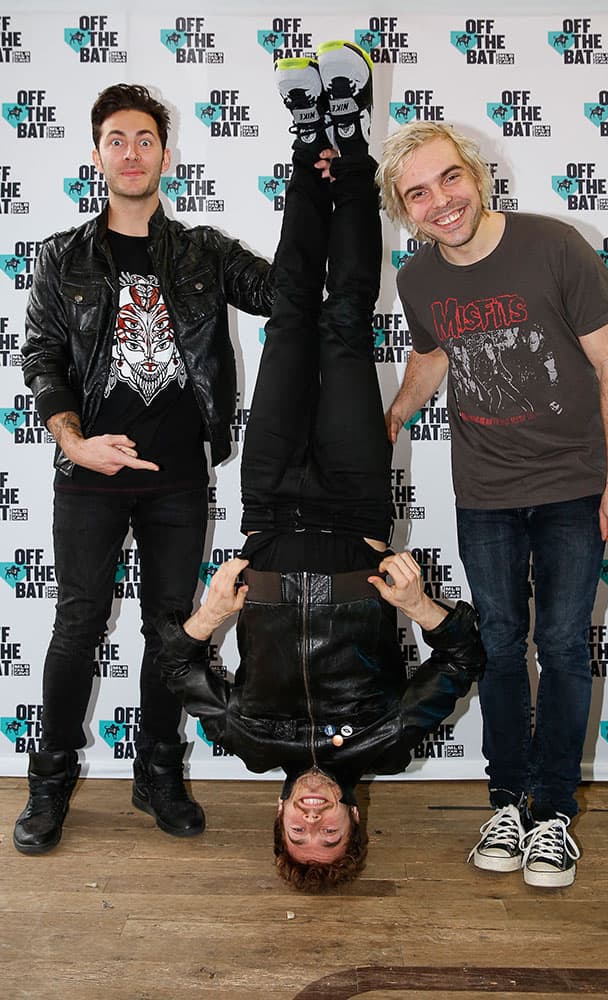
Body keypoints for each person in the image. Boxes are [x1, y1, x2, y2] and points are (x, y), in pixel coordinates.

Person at [157, 43, 486, 892]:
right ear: (351, 822)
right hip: (349, 505)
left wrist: (202, 623)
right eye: (328, 831)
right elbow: (462, 661)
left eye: (299, 831)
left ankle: (310, 146)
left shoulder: (248, 741)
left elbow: (177, 671)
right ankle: (355, 143)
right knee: (344, 321)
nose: (312, 816)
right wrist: (422, 606)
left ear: (276, 820)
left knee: (291, 317)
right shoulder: (389, 740)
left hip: (266, 505)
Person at [376, 121, 608, 888]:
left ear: (475, 175)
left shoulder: (553, 245)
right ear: (405, 210)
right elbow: (431, 355)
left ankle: (552, 812)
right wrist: (395, 414)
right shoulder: (418, 278)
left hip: (571, 488)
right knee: (498, 644)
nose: (440, 201)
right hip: (484, 493)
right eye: (417, 193)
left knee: (560, 646)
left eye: (448, 179)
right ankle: (506, 801)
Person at [14, 84, 275, 855]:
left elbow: (283, 292)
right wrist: (72, 441)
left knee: (172, 630)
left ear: (167, 153)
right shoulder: (62, 257)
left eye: (145, 139)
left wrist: (324, 186)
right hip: (90, 476)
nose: (132, 153)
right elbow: (41, 357)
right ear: (96, 154)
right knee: (76, 627)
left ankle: (158, 771)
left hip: (177, 479)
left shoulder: (204, 251)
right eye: (117, 140)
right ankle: (51, 779)